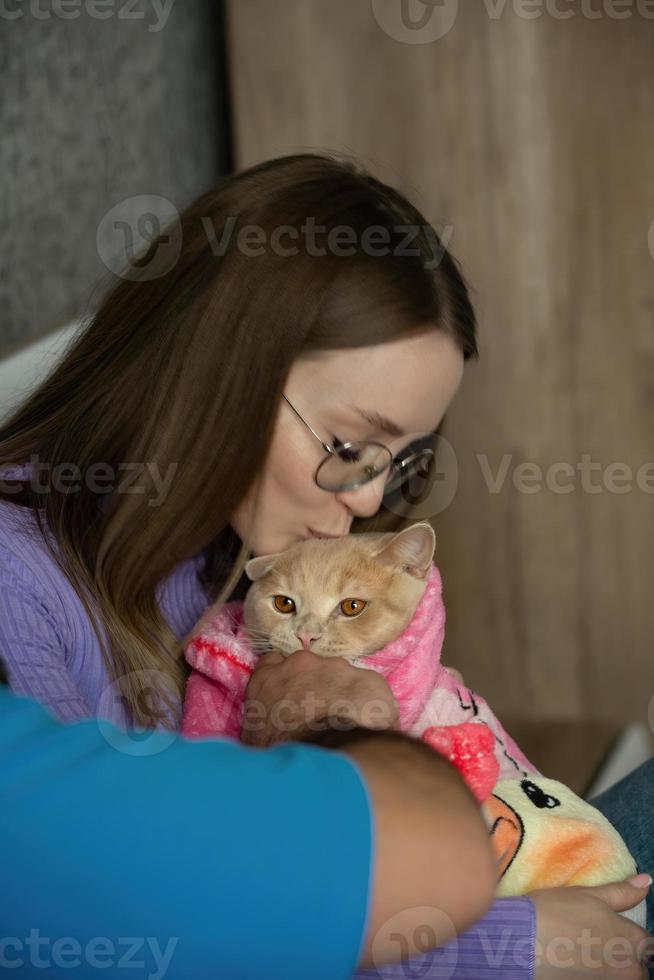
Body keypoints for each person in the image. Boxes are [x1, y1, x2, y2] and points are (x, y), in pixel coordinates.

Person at [0, 152, 651, 978]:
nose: (373, 498)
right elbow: (102, 931)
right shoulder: (18, 585)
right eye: (350, 446)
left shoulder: (231, 548)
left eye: (400, 459)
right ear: (219, 372)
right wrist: (503, 949)